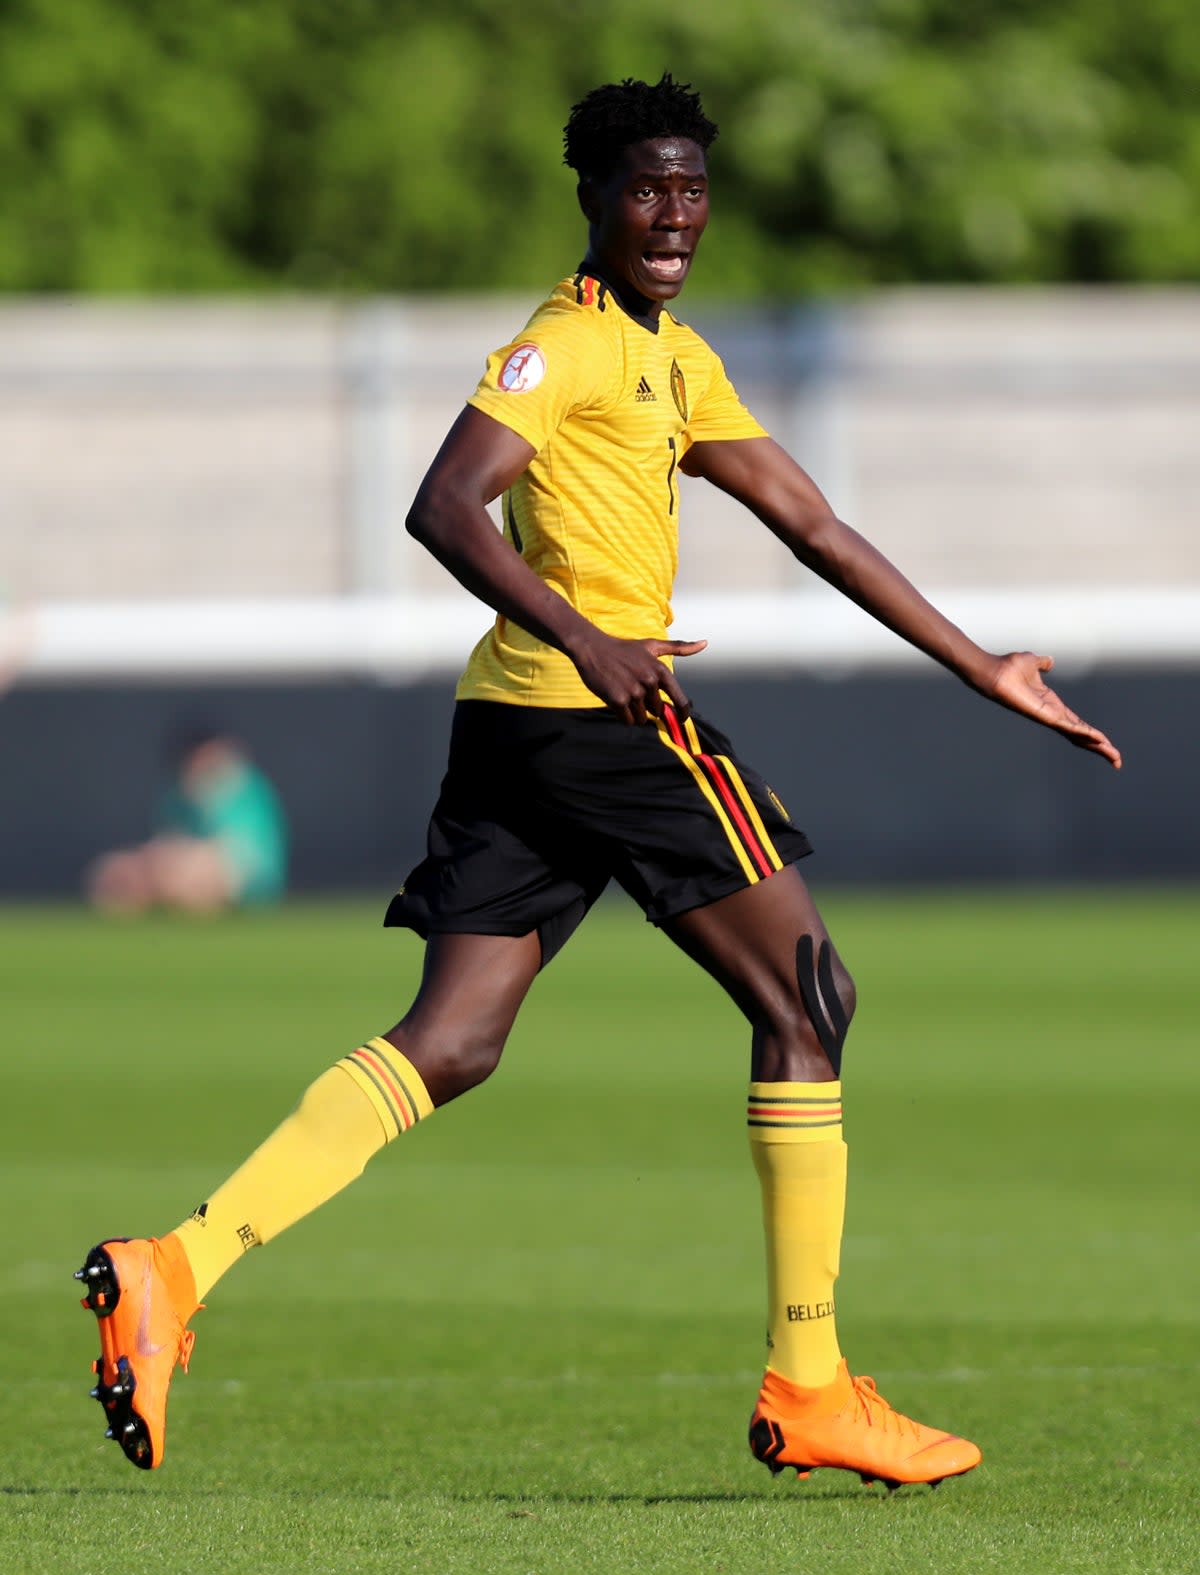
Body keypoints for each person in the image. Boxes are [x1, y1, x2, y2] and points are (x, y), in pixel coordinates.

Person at [76, 74, 1120, 1485]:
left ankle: (173, 1267)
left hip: (521, 729)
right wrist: (588, 632)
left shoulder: (674, 359)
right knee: (808, 993)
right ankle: (809, 1381)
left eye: (692, 186)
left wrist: (980, 663)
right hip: (595, 714)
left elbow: (812, 520)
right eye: (649, 186)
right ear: (596, 199)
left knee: (450, 1042)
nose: (676, 211)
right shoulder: (560, 345)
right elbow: (442, 503)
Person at [84, 726, 288, 915]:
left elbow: (245, 860)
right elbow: (167, 842)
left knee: (188, 870)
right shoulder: (177, 796)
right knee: (118, 869)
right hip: (180, 871)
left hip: (244, 879)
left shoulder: (241, 787)